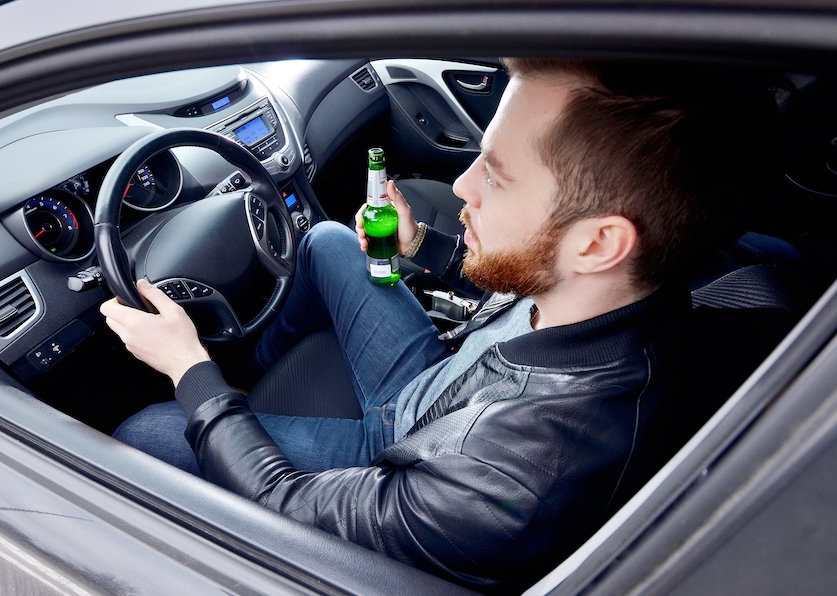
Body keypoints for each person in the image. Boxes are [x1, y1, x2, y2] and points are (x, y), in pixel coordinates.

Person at [101, 59, 770, 589]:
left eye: (498, 176)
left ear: (598, 243)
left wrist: (193, 370)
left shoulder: (510, 481)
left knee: (147, 429)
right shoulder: (613, 295)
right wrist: (428, 249)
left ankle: (232, 392)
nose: (462, 187)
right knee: (330, 241)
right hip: (440, 387)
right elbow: (520, 288)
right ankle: (253, 373)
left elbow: (287, 507)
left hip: (402, 450)